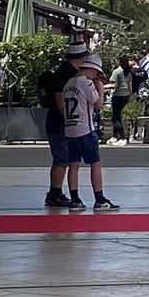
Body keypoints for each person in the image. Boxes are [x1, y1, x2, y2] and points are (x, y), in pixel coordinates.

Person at [59, 49, 115, 211]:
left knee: (73, 165)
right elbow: (98, 104)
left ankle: (75, 199)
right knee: (95, 163)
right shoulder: (86, 83)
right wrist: (101, 89)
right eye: (96, 72)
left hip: (70, 129)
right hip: (85, 129)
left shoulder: (69, 83)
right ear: (91, 69)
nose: (96, 76)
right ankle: (100, 199)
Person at [40, 37, 88, 208]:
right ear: (81, 58)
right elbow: (61, 102)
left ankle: (56, 192)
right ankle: (54, 193)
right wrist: (70, 121)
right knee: (62, 158)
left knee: (61, 158)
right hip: (60, 123)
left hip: (56, 121)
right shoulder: (66, 75)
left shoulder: (64, 71)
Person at [108, 55, 134, 146]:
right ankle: (115, 136)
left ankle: (122, 137)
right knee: (118, 116)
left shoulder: (116, 72)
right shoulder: (128, 73)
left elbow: (113, 85)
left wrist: (102, 87)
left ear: (119, 61)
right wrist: (129, 97)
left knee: (116, 118)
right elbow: (130, 87)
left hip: (117, 96)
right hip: (125, 96)